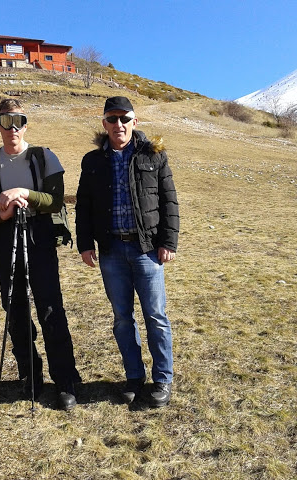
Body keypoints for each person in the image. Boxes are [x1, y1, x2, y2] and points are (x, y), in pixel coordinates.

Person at [0, 99, 81, 411]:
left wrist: (23, 193)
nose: (13, 128)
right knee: (15, 309)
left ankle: (65, 381)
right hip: (4, 237)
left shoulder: (43, 157)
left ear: (26, 123)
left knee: (50, 307)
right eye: (6, 122)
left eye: (18, 121)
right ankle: (30, 376)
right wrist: (4, 212)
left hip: (39, 235)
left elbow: (54, 200)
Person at [75, 96, 179, 407]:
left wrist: (168, 242)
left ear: (135, 121)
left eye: (124, 118)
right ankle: (134, 377)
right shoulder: (92, 161)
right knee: (122, 318)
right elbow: (84, 205)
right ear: (104, 123)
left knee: (155, 316)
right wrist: (84, 244)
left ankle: (163, 379)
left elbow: (169, 201)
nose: (118, 124)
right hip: (110, 251)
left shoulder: (154, 156)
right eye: (111, 118)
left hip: (146, 249)